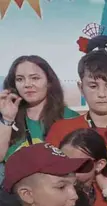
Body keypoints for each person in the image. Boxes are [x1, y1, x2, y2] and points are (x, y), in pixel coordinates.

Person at [45, 51, 107, 192]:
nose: (101, 94)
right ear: (81, 88)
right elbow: (50, 179)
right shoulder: (62, 130)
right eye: (93, 86)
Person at [0, 55, 79, 183]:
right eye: (20, 79)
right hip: (13, 195)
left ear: (49, 82)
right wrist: (7, 119)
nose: (27, 84)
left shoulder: (70, 118)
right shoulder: (5, 117)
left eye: (35, 78)